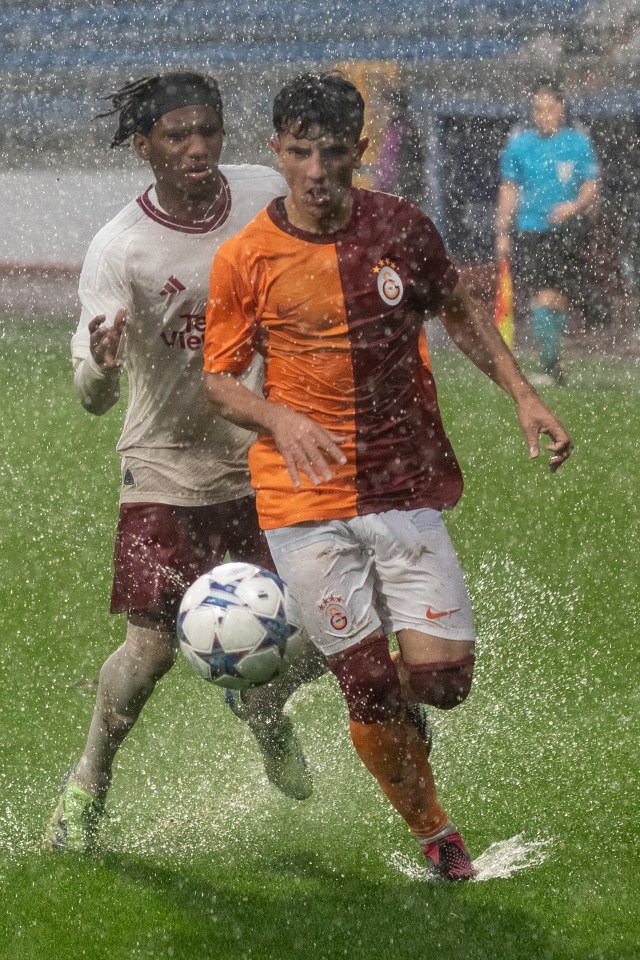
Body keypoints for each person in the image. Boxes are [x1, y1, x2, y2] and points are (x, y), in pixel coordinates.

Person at [202, 73, 573, 881]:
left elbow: (461, 310)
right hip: (301, 498)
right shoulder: (246, 258)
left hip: (402, 482)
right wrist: (281, 419)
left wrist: (522, 395)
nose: (316, 171)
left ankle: (297, 665)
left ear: (360, 152)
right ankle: (437, 835)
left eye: (334, 152)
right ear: (277, 151)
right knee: (370, 684)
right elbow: (220, 379)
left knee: (441, 684)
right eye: (299, 153)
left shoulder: (402, 229)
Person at [44, 71, 328, 855]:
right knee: (152, 651)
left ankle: (265, 708)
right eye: (177, 136)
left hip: (267, 454)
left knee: (334, 627)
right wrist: (103, 360)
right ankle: (88, 781)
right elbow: (90, 397)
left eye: (208, 130)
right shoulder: (120, 248)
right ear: (144, 148)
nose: (198, 148)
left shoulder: (265, 193)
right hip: (166, 467)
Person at [496, 79, 600, 385]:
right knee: (541, 295)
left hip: (568, 230)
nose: (543, 115)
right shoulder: (520, 146)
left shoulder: (578, 144)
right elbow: (509, 188)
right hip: (530, 229)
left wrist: (572, 206)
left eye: (548, 108)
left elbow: (591, 187)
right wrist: (502, 230)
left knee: (556, 297)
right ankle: (550, 366)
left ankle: (551, 366)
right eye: (537, 109)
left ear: (561, 110)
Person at [373, 87, 426, 207]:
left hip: (397, 197)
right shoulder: (396, 130)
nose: (382, 110)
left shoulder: (401, 132)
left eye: (385, 106)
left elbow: (396, 169)